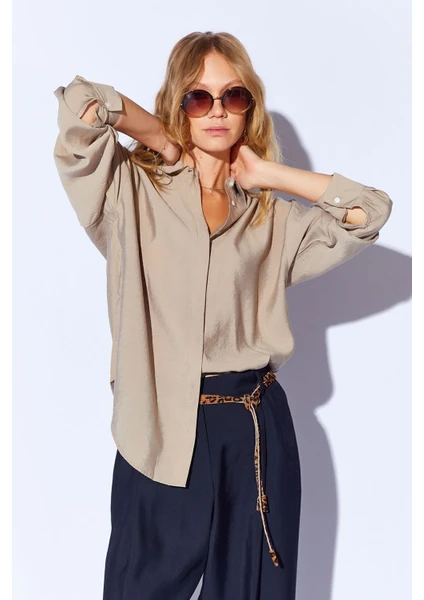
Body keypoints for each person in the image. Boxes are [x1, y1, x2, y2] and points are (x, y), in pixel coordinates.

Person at [52, 30, 393, 600]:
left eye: (233, 96)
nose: (216, 110)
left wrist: (270, 176)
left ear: (248, 108)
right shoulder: (128, 191)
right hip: (159, 431)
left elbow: (370, 213)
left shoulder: (270, 219)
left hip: (255, 430)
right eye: (198, 97)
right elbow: (81, 103)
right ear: (178, 103)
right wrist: (162, 142)